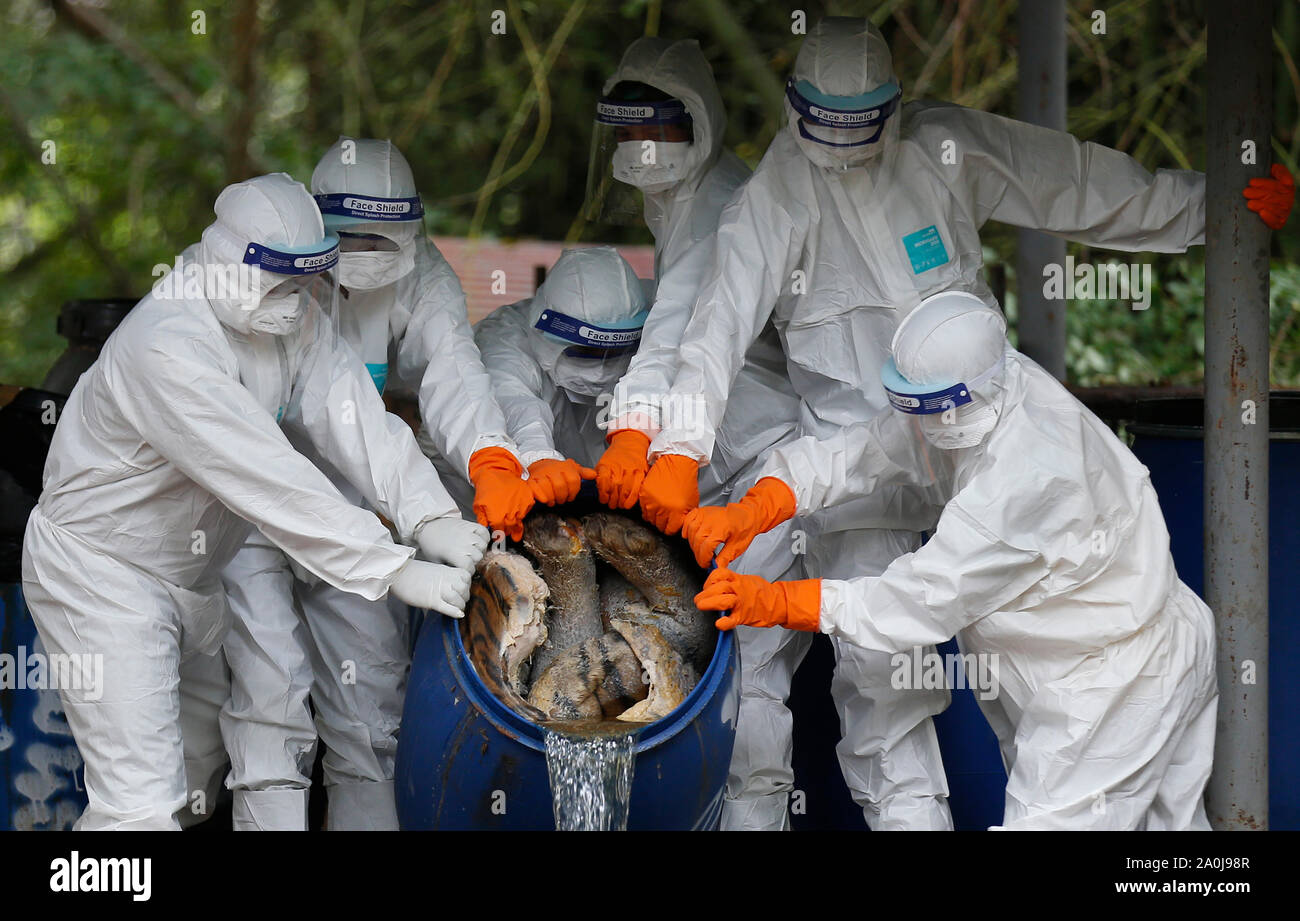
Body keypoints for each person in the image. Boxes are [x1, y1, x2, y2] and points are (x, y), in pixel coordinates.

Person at [637, 14, 1233, 832]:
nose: (843, 148)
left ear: (896, 106)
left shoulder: (1015, 473)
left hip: (1108, 673)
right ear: (792, 107)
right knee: (887, 711)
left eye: (862, 127)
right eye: (825, 127)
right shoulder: (975, 400)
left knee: (909, 655)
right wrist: (692, 454)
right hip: (878, 486)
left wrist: (1215, 211)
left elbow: (1073, 181)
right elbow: (720, 330)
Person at [21, 173, 479, 831]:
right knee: (140, 802)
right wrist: (389, 566)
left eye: (308, 280)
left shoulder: (285, 314)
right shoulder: (168, 344)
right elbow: (263, 475)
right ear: (229, 259)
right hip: (102, 573)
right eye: (282, 280)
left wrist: (429, 514)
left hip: (190, 574)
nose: (298, 300)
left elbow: (352, 414)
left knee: (197, 773)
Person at [692, 290, 1219, 830]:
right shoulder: (998, 380)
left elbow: (920, 598)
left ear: (969, 396)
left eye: (935, 408)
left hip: (1112, 685)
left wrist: (777, 600)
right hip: (1118, 650)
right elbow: (868, 450)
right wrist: (764, 500)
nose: (922, 423)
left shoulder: (1029, 477)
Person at [215, 139, 525, 831]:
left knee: (371, 719)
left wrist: (490, 462)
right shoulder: (273, 273)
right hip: (253, 508)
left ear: (413, 230)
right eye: (347, 231)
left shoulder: (427, 283)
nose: (363, 248)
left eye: (381, 234)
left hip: (365, 512)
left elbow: (454, 380)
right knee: (270, 700)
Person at [587, 37, 801, 535]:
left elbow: (678, 324)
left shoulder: (715, 204)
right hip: (722, 429)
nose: (641, 147)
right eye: (628, 129)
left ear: (698, 124)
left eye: (655, 127)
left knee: (747, 598)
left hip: (752, 437)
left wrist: (633, 430)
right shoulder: (678, 191)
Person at [473, 245, 647, 480]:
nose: (600, 370)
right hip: (477, 494)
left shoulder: (659, 319)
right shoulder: (503, 341)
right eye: (585, 350)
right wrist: (539, 457)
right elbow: (513, 402)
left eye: (615, 351)